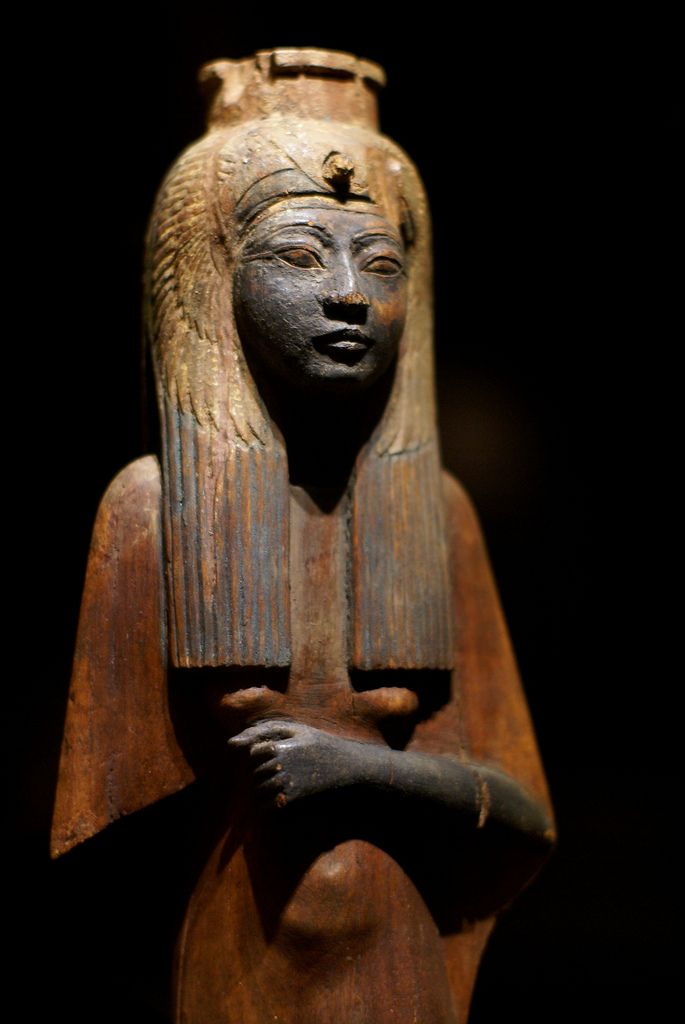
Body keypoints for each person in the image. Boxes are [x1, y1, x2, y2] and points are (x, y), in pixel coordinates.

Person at [53, 50, 554, 1023]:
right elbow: (99, 844)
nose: (348, 294)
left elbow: (523, 816)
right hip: (235, 968)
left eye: (381, 263)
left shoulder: (440, 514)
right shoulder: (150, 512)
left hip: (399, 963)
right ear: (211, 277)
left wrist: (361, 770)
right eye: (298, 255)